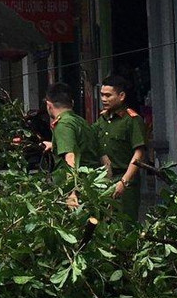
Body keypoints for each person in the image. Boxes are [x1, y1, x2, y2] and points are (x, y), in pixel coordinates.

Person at [93, 73, 149, 224]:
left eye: (108, 95)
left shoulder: (132, 120)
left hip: (125, 181)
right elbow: (88, 138)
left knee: (125, 225)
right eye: (102, 95)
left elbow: (139, 153)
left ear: (121, 96)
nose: (103, 99)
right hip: (105, 180)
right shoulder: (103, 120)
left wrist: (124, 182)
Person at [44, 84, 91, 174]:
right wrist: (55, 146)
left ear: (49, 105)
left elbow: (71, 158)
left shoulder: (63, 124)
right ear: (72, 103)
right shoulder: (80, 121)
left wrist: (72, 181)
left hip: (77, 179)